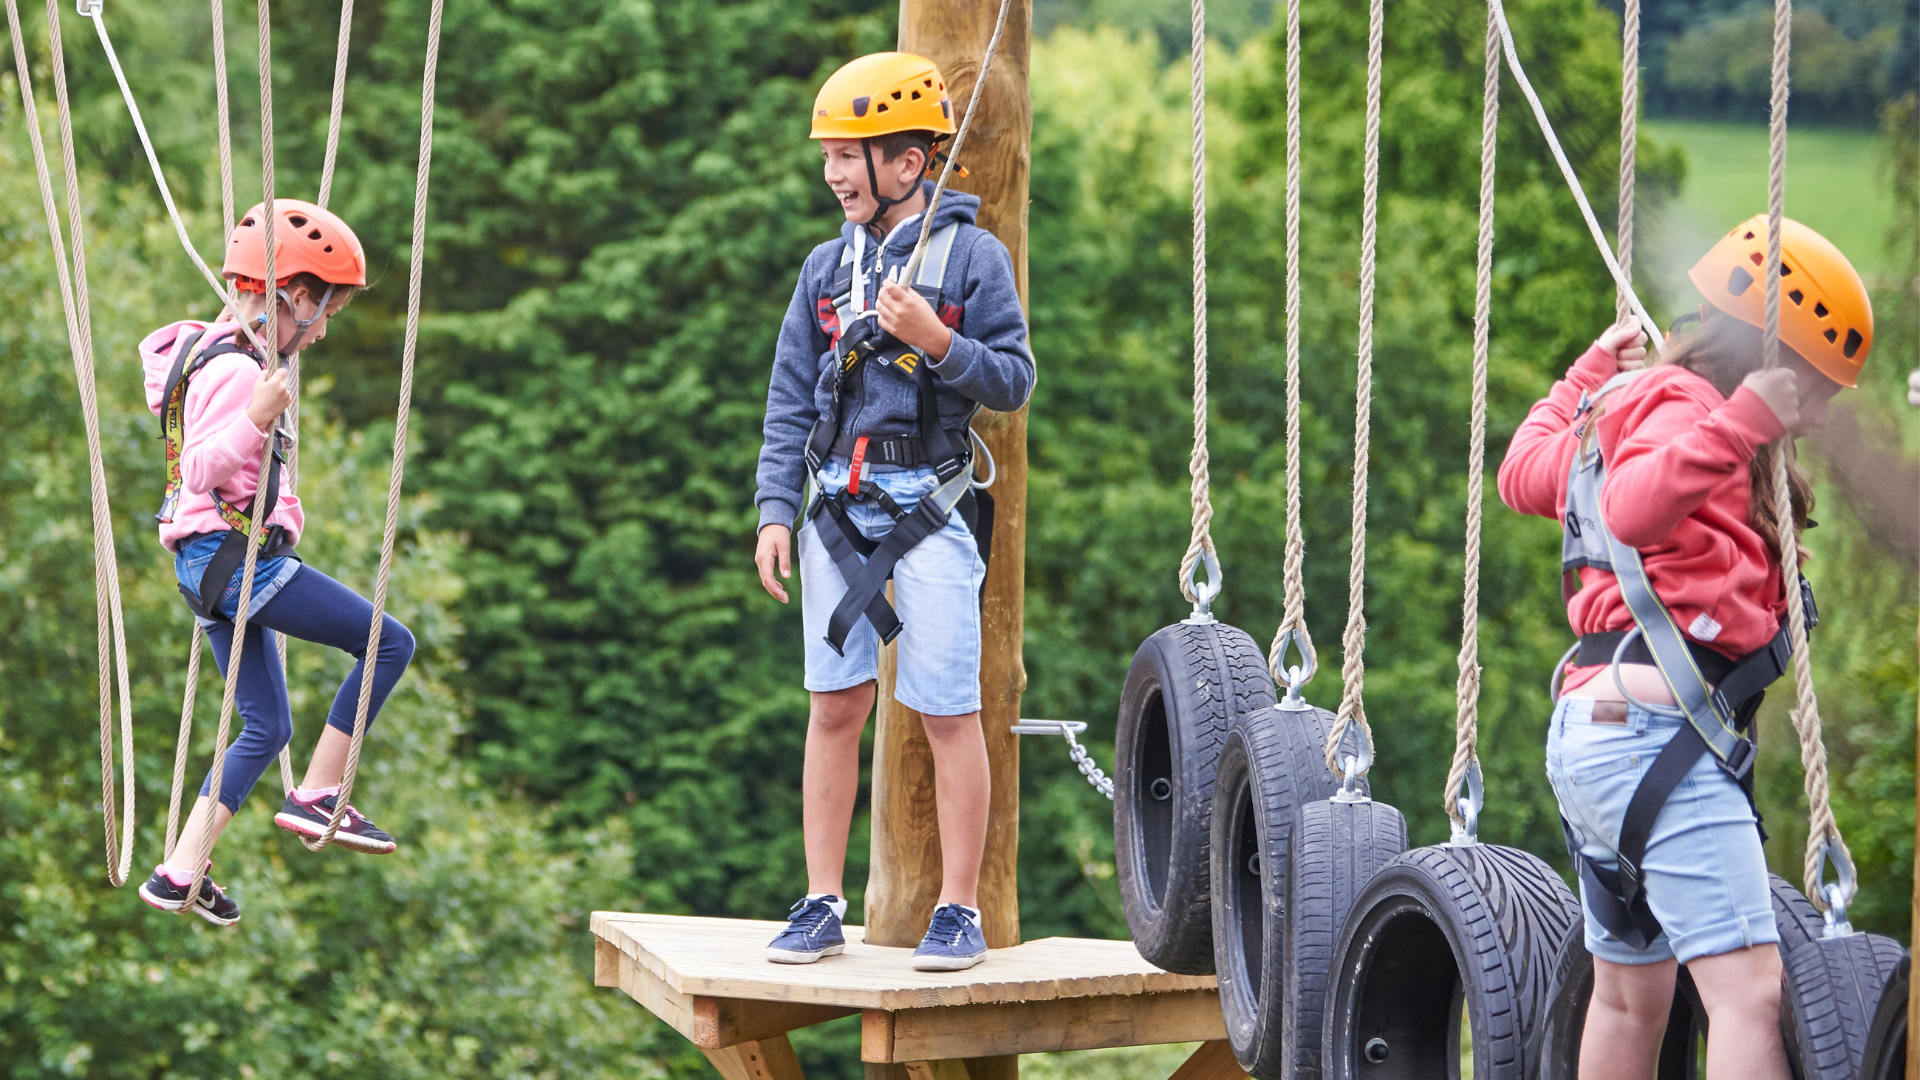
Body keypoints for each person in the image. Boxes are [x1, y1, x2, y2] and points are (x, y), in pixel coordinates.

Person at [1498, 214, 1872, 1080]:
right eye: (1813, 390)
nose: (1814, 418)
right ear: (1765, 356)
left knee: (1632, 998)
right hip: (1655, 739)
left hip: (1597, 738)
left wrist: (1586, 377)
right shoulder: (1686, 410)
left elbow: (1524, 472)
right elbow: (1631, 506)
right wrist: (1737, 427)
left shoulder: (1619, 409)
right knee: (1750, 995)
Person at [752, 52, 1035, 972]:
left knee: (949, 709)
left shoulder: (970, 258)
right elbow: (791, 396)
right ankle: (821, 897)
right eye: (829, 156)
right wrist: (775, 511)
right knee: (834, 705)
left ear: (909, 163)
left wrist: (938, 341)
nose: (833, 173)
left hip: (929, 501)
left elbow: (1013, 378)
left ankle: (959, 909)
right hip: (837, 502)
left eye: (850, 155)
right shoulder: (825, 268)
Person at [136, 200, 417, 926]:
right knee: (390, 641)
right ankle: (319, 793)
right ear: (292, 295)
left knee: (265, 727)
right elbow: (198, 468)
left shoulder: (230, 353)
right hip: (234, 566)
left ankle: (178, 871)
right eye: (324, 312)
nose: (323, 330)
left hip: (211, 570)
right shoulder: (235, 370)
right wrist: (258, 416)